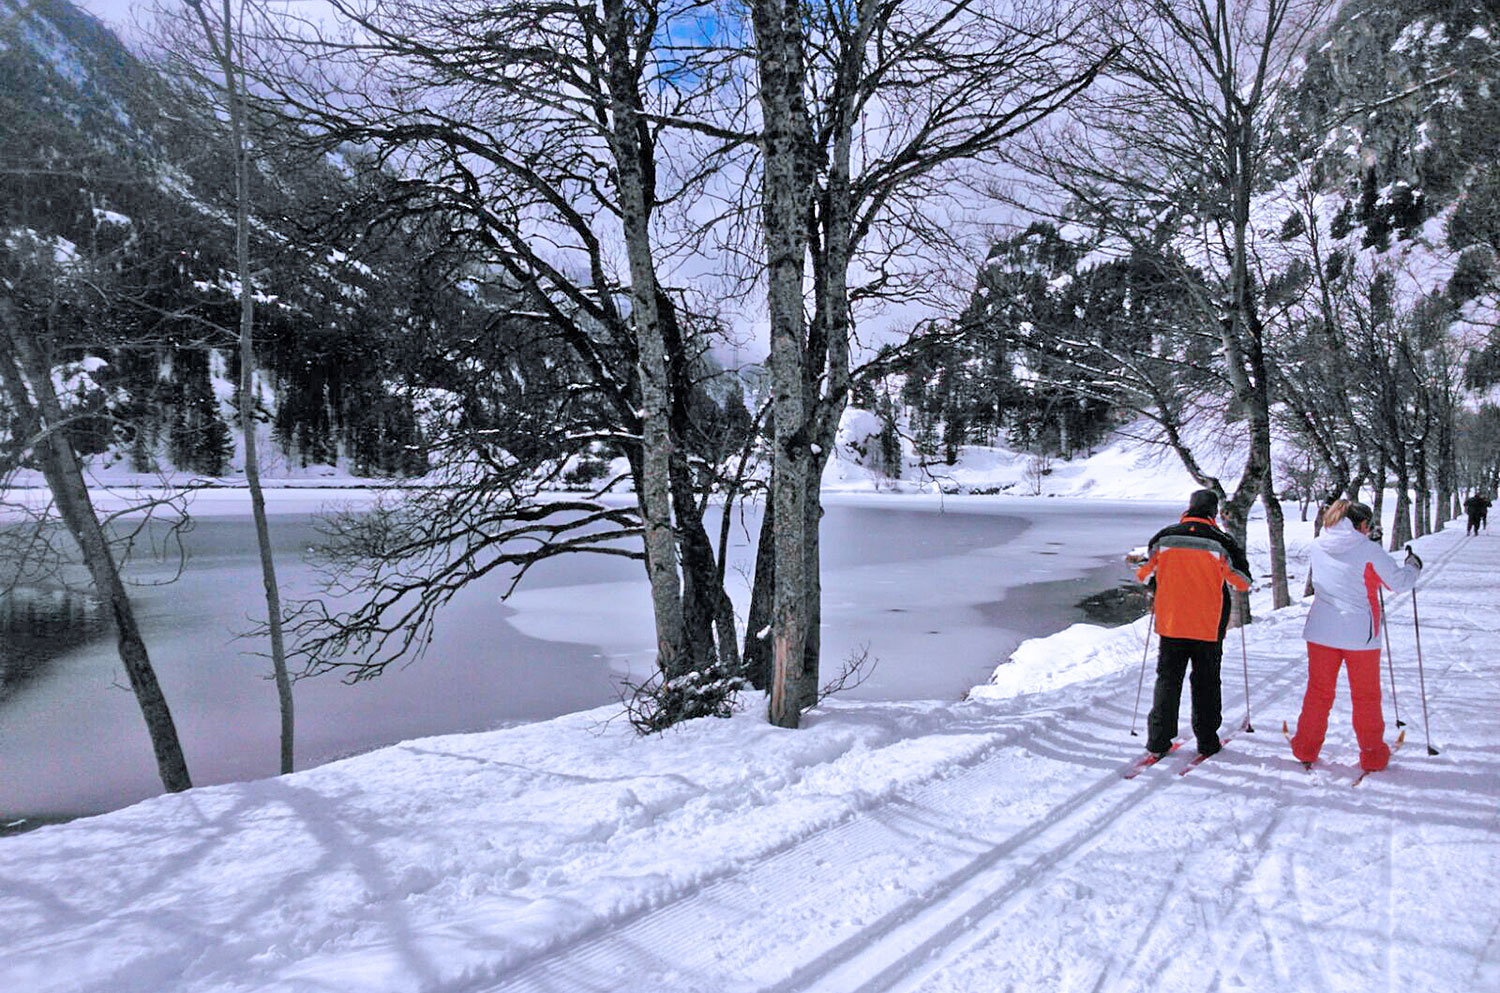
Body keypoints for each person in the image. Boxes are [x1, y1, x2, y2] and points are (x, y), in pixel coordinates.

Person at [1289, 499, 1421, 772]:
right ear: (1360, 524)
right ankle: (1373, 755)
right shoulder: (1368, 549)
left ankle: (1305, 747)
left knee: (1318, 693)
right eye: (1367, 525)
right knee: (1366, 696)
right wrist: (1413, 565)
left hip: (1321, 631)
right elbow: (1398, 582)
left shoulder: (1318, 543)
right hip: (1360, 636)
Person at [1135, 489, 1252, 758]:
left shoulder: (1165, 537)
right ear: (1214, 513)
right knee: (1206, 682)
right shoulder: (1221, 541)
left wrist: (1156, 584)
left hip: (1171, 623)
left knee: (1168, 680)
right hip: (1207, 626)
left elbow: (1142, 573)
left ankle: (1158, 741)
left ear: (1189, 508)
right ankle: (1207, 741)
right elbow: (1243, 582)